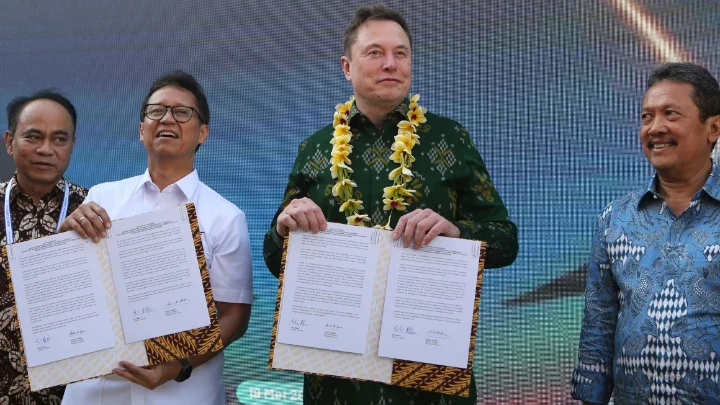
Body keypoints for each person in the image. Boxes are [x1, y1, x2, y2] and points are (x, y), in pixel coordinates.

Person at [263, 4, 518, 404]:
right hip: (336, 378)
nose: (390, 64)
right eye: (375, 53)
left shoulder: (449, 138)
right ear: (347, 67)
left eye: (401, 53)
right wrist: (283, 229)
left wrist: (457, 233)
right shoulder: (314, 149)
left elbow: (505, 242)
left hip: (428, 375)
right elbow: (275, 260)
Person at [58, 71, 253, 405]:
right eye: (156, 111)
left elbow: (234, 316)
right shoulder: (103, 197)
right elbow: (71, 289)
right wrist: (62, 245)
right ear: (141, 130)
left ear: (202, 132)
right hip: (99, 386)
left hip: (184, 391)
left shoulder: (225, 216)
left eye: (182, 112)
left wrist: (177, 366)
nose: (167, 119)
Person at [571, 62, 720, 404]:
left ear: (713, 127)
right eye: (646, 117)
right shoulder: (616, 218)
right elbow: (599, 325)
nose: (655, 128)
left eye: (670, 113)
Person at [0, 90, 87, 404]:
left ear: (72, 145)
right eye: (33, 137)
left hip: (72, 392)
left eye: (59, 139)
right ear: (9, 142)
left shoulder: (94, 210)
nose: (46, 150)